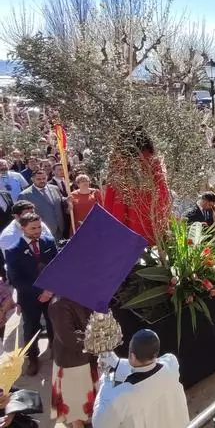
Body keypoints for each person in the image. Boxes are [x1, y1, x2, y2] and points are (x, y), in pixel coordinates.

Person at [92, 329, 189, 428]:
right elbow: (147, 367)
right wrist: (118, 363)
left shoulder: (120, 398)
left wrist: (106, 378)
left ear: (132, 356)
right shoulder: (171, 365)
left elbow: (99, 424)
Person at [5, 213, 57, 376]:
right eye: (32, 228)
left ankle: (55, 351)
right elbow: (16, 280)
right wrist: (41, 291)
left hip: (51, 294)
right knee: (31, 328)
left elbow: (56, 268)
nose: (37, 231)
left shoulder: (48, 242)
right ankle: (32, 359)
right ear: (22, 228)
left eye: (39, 227)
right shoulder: (13, 251)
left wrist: (50, 291)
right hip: (29, 298)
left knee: (54, 324)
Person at [48, 296, 97, 427]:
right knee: (75, 404)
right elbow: (69, 339)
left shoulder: (87, 296)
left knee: (85, 397)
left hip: (88, 356)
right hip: (72, 363)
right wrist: (96, 339)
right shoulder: (58, 305)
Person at [18, 169, 68, 241]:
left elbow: (60, 201)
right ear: (32, 179)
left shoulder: (55, 188)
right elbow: (23, 217)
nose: (42, 181)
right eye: (38, 179)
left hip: (61, 228)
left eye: (44, 178)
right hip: (42, 232)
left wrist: (66, 200)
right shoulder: (24, 195)